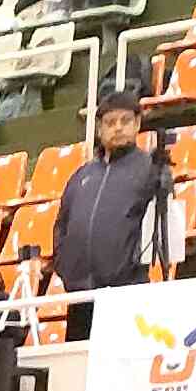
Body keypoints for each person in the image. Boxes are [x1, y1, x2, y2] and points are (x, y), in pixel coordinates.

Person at [37, 93, 176, 333]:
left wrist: (129, 267)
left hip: (125, 292)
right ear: (99, 129)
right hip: (80, 294)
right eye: (111, 122)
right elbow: (62, 225)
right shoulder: (82, 175)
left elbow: (163, 223)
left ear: (137, 124)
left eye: (125, 121)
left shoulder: (149, 170)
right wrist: (66, 267)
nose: (118, 128)